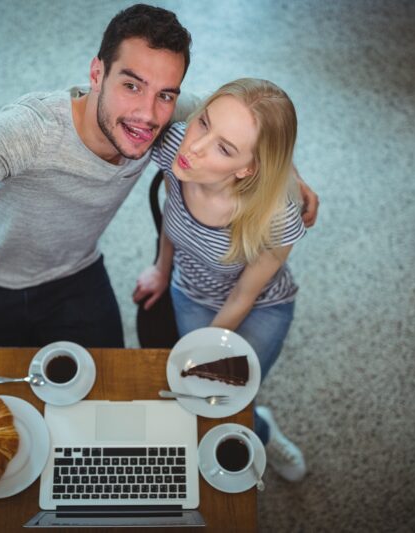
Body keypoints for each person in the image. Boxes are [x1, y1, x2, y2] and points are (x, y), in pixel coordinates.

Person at [0, 4, 319, 425]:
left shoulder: (174, 123)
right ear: (97, 73)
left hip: (75, 274)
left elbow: (252, 125)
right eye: (131, 85)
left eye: (164, 95)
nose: (147, 115)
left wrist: (287, 177)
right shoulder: (31, 128)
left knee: (109, 411)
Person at [133, 78, 310, 482]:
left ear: (248, 168)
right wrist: (161, 269)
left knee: (225, 396)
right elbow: (172, 223)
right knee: (208, 397)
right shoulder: (175, 149)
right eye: (203, 124)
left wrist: (205, 355)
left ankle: (257, 427)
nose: (194, 148)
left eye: (224, 147)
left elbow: (244, 296)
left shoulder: (278, 214)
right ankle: (260, 427)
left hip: (263, 304)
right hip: (192, 291)